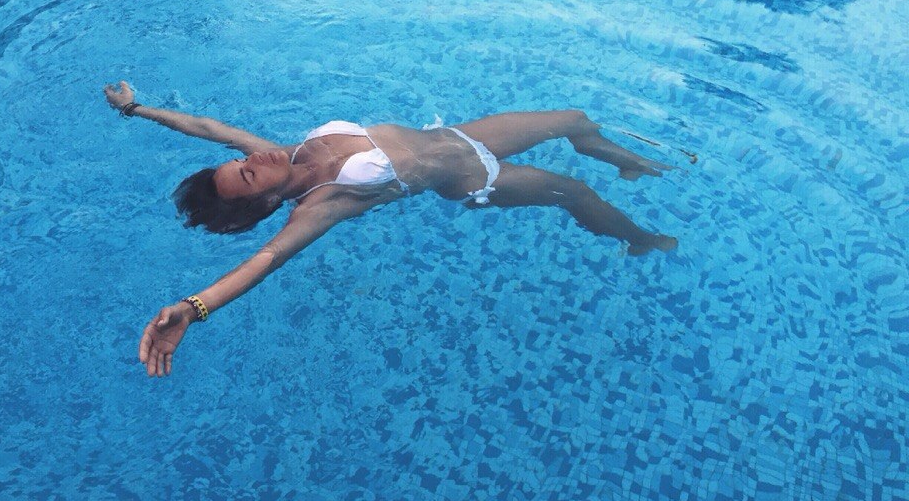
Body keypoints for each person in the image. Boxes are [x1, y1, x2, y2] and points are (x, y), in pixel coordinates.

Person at [103, 81, 677, 377]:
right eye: (250, 174)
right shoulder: (320, 205)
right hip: (476, 176)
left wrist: (136, 109)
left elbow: (208, 127)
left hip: (463, 135)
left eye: (242, 161)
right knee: (575, 193)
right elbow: (266, 260)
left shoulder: (284, 151)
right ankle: (639, 240)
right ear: (265, 201)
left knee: (574, 120)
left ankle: (620, 160)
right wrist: (193, 308)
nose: (255, 158)